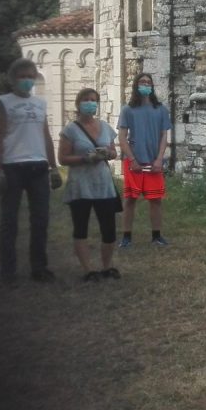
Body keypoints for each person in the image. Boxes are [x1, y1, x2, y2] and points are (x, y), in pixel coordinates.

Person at [0, 57, 62, 284]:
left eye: (30, 76)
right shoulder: (4, 102)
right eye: (22, 77)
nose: (27, 81)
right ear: (12, 79)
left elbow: (46, 136)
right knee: (10, 220)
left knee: (40, 219)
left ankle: (39, 267)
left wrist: (53, 167)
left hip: (38, 166)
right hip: (13, 166)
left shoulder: (40, 104)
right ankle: (8, 272)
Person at [58, 88, 122, 282]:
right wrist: (85, 158)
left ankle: (107, 266)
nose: (90, 103)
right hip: (81, 185)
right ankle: (88, 270)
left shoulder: (105, 127)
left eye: (94, 100)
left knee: (109, 229)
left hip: (103, 184)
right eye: (86, 100)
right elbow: (63, 158)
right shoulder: (70, 130)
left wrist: (107, 154)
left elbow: (114, 152)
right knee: (81, 227)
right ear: (78, 104)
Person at [117, 73, 172, 248]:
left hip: (153, 162)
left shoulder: (161, 110)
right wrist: (132, 159)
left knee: (155, 200)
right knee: (130, 199)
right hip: (133, 162)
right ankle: (126, 237)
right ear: (136, 85)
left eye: (148, 82)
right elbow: (122, 137)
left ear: (152, 86)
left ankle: (156, 236)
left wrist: (159, 159)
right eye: (142, 82)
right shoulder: (128, 110)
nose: (145, 85)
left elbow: (164, 136)